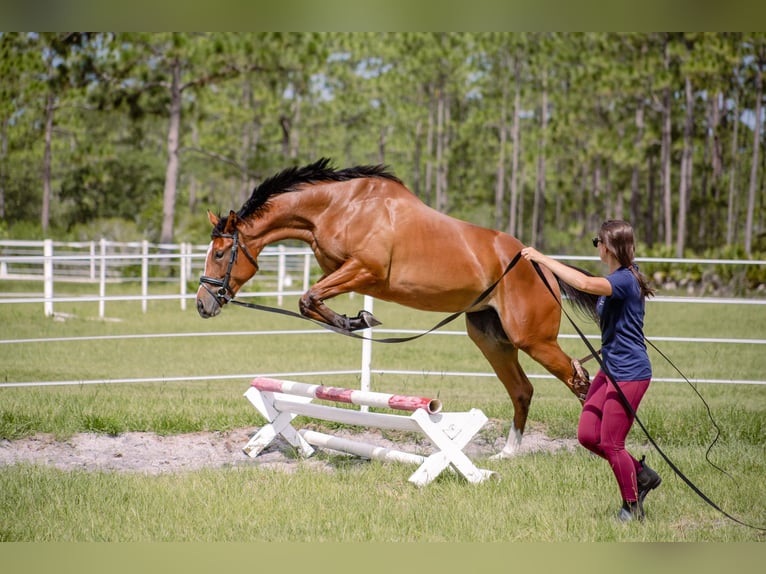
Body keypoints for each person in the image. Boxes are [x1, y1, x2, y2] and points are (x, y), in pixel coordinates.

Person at [521, 219, 662, 522]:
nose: (596, 247)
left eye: (596, 242)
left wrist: (542, 259)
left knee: (612, 443)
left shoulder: (624, 279)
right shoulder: (618, 278)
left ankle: (632, 507)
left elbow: (584, 284)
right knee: (587, 435)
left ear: (607, 246)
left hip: (630, 373)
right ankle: (641, 474)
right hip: (610, 369)